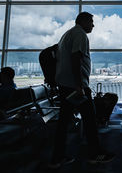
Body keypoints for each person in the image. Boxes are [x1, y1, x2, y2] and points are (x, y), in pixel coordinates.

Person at [49, 12, 115, 169]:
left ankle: (57, 158)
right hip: (76, 86)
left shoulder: (67, 34)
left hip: (66, 85)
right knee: (90, 120)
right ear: (83, 21)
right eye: (91, 22)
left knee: (64, 123)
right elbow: (76, 58)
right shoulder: (80, 34)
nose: (93, 25)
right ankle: (95, 154)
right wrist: (79, 85)